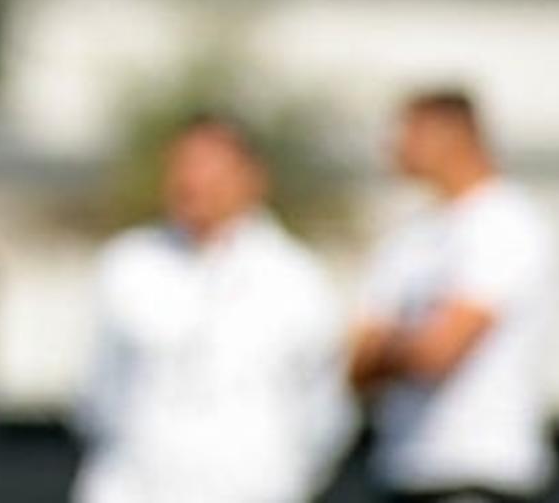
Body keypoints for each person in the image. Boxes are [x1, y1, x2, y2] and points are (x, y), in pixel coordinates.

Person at [74, 114, 352, 503]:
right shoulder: (128, 264)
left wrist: (279, 476)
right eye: (182, 166)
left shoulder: (297, 279)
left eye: (209, 168)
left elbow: (324, 409)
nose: (192, 182)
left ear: (251, 178)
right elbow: (99, 393)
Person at [349, 89, 559, 503]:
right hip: (402, 472)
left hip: (480, 475)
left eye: (410, 132)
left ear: (454, 135)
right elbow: (355, 367)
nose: (395, 147)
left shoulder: (505, 224)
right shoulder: (411, 236)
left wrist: (392, 344)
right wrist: (411, 343)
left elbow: (439, 354)